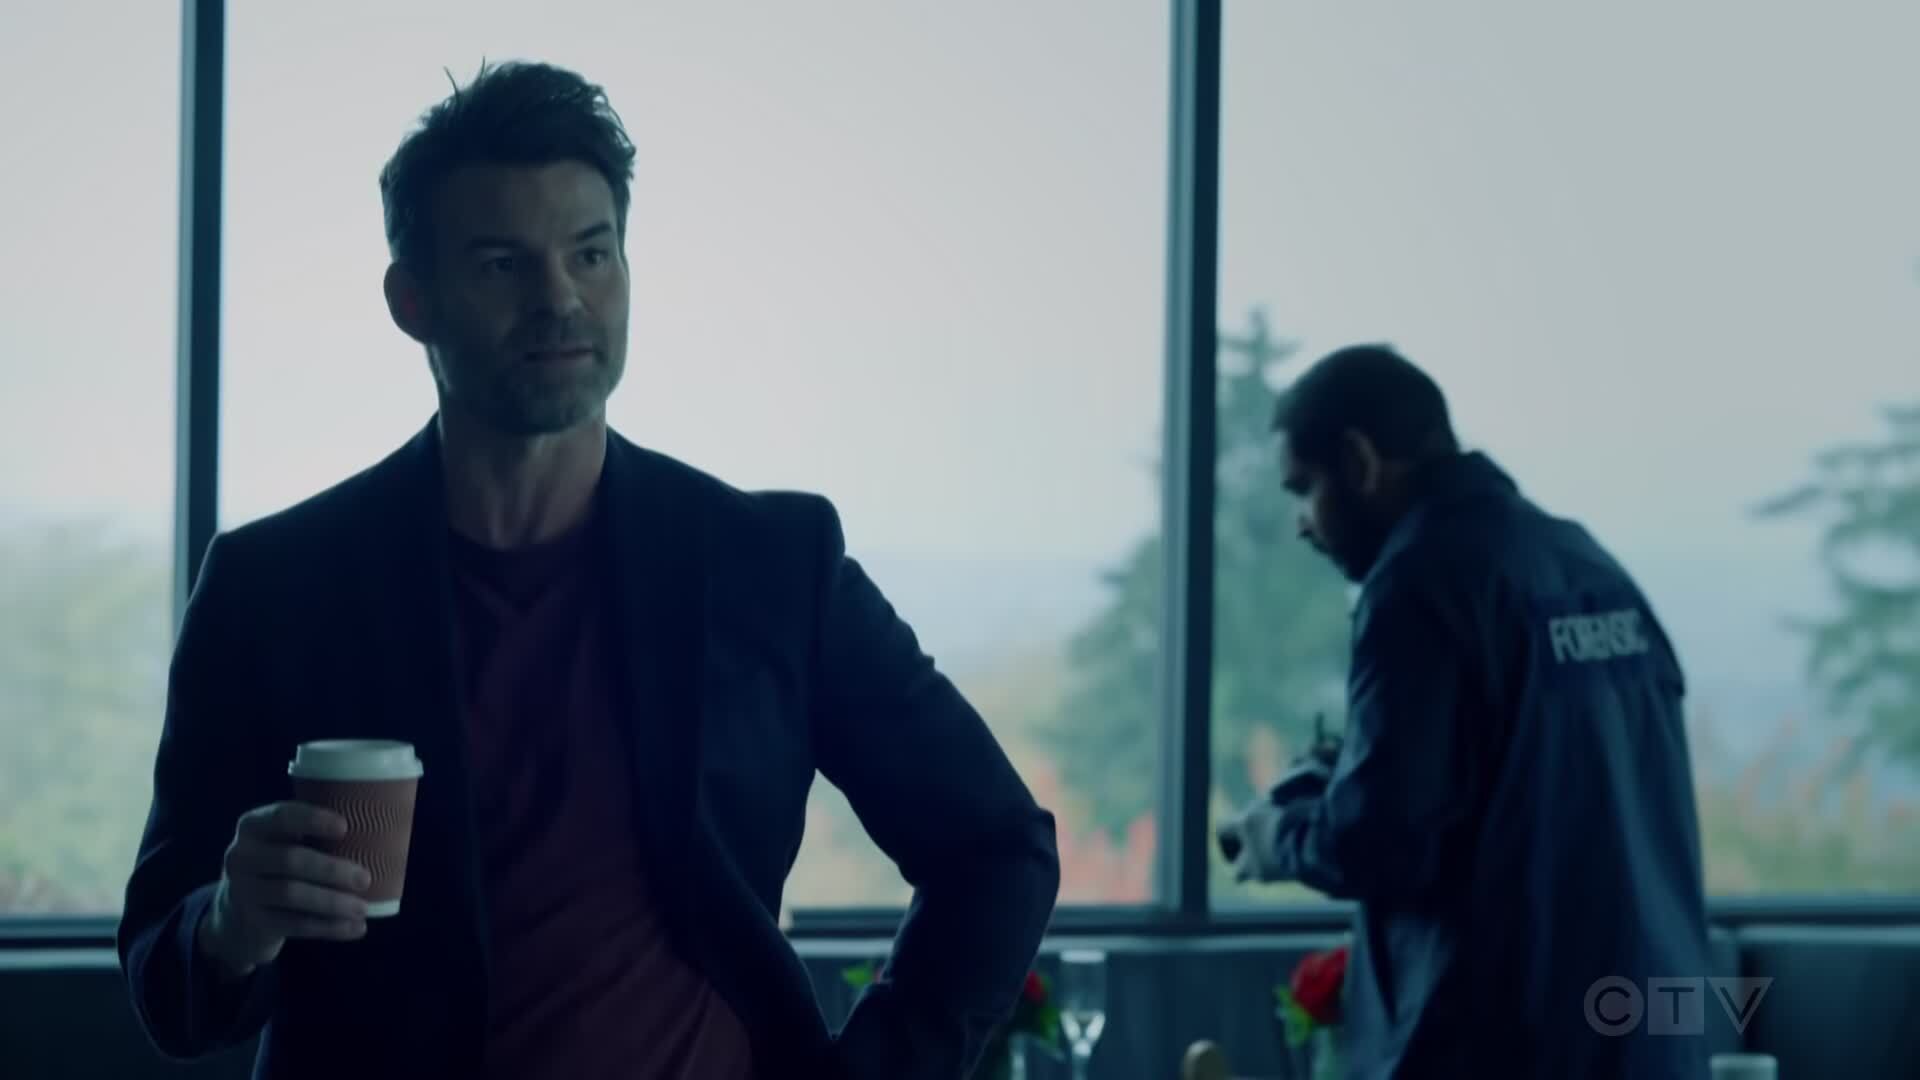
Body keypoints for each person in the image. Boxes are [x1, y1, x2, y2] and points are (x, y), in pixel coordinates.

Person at [117, 60, 1060, 1080]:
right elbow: (165, 979)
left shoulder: (774, 566)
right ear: (411, 299)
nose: (560, 298)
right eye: (502, 265)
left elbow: (996, 846)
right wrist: (233, 923)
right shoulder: (274, 588)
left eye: (591, 254)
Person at [1218, 345, 1712, 1079]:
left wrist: (1276, 836)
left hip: (1505, 1047)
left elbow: (1383, 841)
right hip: (1649, 1040)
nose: (1301, 523)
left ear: (1359, 462)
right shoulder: (1586, 563)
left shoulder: (1419, 582)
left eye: (1306, 488)